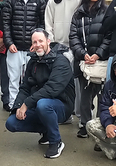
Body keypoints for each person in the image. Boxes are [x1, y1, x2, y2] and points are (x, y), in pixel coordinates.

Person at [5, 29, 75, 158]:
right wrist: (18, 107)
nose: (38, 44)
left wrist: (27, 103)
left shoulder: (61, 61)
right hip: (39, 104)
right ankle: (47, 131)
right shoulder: (33, 60)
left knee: (43, 105)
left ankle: (56, 142)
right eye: (35, 42)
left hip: (61, 105)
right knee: (11, 123)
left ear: (48, 41)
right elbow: (25, 86)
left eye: (41, 41)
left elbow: (52, 89)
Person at [69, 0, 110, 138]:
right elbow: (73, 36)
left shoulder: (106, 12)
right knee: (85, 96)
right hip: (83, 60)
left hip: (101, 60)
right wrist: (82, 53)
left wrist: (98, 53)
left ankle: (100, 123)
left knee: (102, 95)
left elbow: (109, 36)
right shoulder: (78, 12)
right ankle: (85, 124)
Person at [1, 0, 46, 108]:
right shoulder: (11, 1)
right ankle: (13, 104)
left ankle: (29, 105)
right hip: (14, 48)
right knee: (13, 79)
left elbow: (42, 24)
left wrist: (38, 44)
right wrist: (9, 43)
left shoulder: (39, 1)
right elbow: (6, 24)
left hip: (32, 49)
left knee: (32, 79)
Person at [45, 0, 82, 120]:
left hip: (77, 46)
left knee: (78, 82)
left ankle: (80, 113)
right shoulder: (52, 1)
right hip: (58, 47)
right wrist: (52, 44)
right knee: (61, 82)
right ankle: (65, 114)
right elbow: (48, 23)